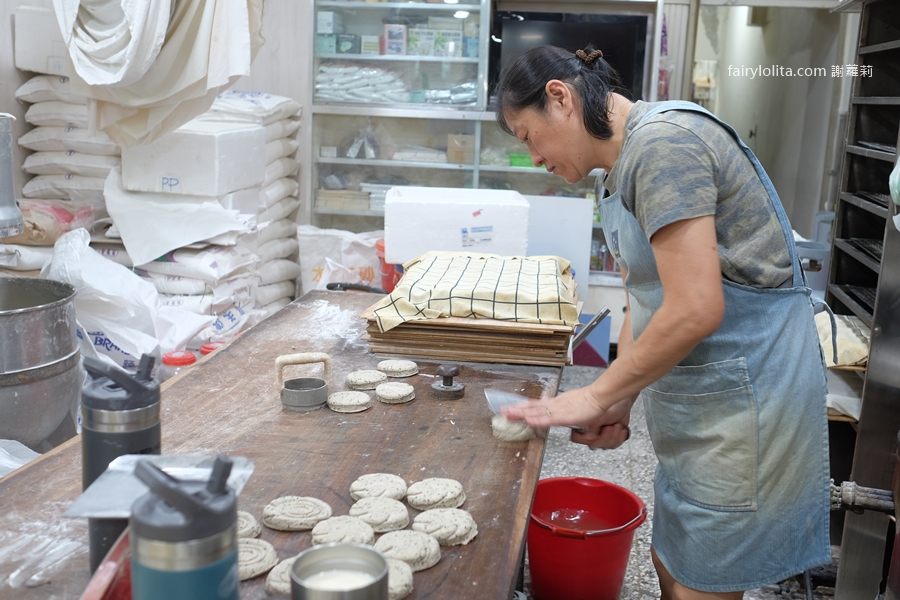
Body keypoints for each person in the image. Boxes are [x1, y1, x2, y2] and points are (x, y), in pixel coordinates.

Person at [496, 45, 831, 600]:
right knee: (672, 561)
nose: (533, 159)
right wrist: (620, 400)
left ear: (560, 99)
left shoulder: (665, 145)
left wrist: (590, 394)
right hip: (700, 404)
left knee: (703, 580)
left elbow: (697, 306)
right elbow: (646, 298)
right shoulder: (616, 171)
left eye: (528, 137)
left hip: (747, 406)